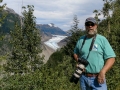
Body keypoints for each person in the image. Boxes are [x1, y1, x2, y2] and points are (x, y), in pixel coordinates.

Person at [73, 17, 116, 90]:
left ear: (96, 25)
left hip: (98, 79)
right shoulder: (81, 40)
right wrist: (79, 61)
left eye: (92, 24)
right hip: (83, 78)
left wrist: (103, 72)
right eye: (87, 24)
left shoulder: (102, 39)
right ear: (85, 26)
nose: (90, 26)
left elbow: (111, 58)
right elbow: (75, 53)